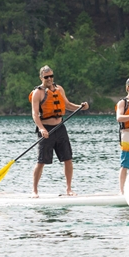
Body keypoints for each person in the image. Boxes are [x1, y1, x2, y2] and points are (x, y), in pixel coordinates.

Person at [30, 65, 89, 197]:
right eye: (46, 77)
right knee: (41, 161)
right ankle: (34, 190)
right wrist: (41, 128)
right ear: (41, 78)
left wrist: (80, 107)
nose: (49, 79)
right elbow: (34, 114)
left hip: (60, 128)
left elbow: (67, 105)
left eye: (51, 76)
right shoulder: (37, 93)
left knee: (67, 159)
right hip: (46, 129)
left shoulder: (59, 89)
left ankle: (68, 189)